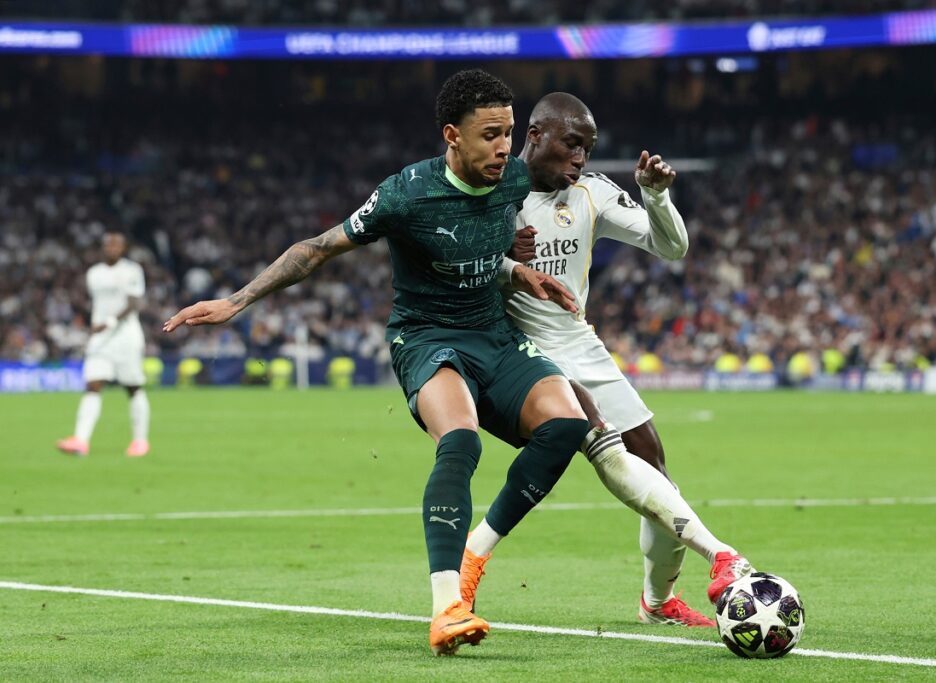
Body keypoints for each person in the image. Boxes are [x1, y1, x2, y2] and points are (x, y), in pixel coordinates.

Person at [162, 70, 591, 656]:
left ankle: (474, 551)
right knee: (461, 442)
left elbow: (501, 237)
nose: (503, 149)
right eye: (489, 135)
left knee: (567, 425)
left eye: (509, 133)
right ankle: (446, 607)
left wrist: (518, 269)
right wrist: (236, 301)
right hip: (425, 337)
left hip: (492, 333)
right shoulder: (406, 194)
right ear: (451, 135)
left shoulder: (516, 178)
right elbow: (316, 249)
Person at [460, 93, 753, 626]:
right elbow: (453, 264)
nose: (581, 159)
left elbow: (672, 248)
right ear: (536, 135)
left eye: (588, 148)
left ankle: (657, 603)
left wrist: (656, 197)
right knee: (601, 444)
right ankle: (722, 556)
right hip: (519, 351)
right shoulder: (495, 191)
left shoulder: (593, 195)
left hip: (579, 343)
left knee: (655, 465)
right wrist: (503, 261)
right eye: (572, 144)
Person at [57, 232, 151, 458]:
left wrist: (108, 322)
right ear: (102, 248)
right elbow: (96, 302)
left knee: (133, 387)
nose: (111, 248)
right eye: (108, 244)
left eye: (116, 244)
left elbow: (134, 303)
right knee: (92, 385)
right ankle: (80, 440)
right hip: (100, 339)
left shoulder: (132, 270)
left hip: (126, 337)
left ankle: (140, 441)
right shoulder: (94, 273)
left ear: (123, 247)